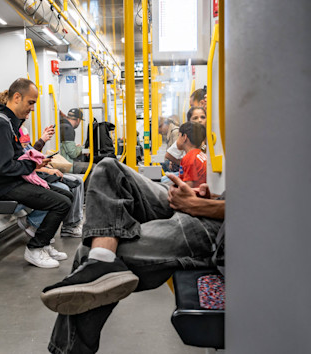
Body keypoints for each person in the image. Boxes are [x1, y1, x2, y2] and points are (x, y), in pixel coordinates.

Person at [41, 158, 224, 354]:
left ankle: (100, 263)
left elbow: (254, 211)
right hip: (210, 206)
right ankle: (102, 260)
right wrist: (207, 198)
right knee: (109, 169)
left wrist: (197, 205)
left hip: (219, 229)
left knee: (86, 253)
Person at [0, 78, 72, 268]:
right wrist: (33, 166)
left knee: (66, 194)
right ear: (17, 97)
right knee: (61, 203)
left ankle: (45, 241)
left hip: (15, 180)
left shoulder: (10, 122)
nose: (32, 108)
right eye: (30, 102)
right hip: (6, 185)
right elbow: (4, 167)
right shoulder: (0, 124)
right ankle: (35, 248)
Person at [59, 108, 91, 174]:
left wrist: (76, 147)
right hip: (67, 165)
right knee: (94, 167)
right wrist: (81, 149)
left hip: (60, 162)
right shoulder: (68, 128)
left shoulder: (62, 125)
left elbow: (65, 147)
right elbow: (73, 154)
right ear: (78, 120)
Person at [176, 121, 208, 188]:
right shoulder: (200, 154)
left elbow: (188, 188)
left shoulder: (189, 158)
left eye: (178, 135)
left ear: (184, 137)